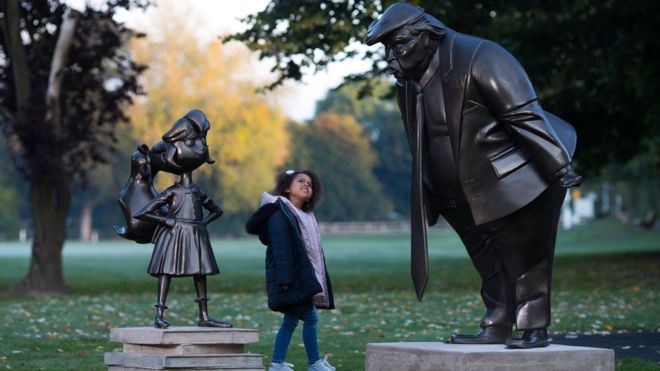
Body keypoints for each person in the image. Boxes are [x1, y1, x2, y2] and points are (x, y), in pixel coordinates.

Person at [366, 3, 582, 348]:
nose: (392, 57)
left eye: (399, 45)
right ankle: (498, 321)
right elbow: (418, 136)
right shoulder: (407, 81)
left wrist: (558, 166)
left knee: (526, 255)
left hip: (514, 179)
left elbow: (524, 115)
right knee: (488, 260)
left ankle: (533, 327)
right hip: (457, 192)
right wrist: (430, 187)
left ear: (426, 36)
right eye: (387, 49)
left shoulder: (482, 56)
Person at [130, 109, 232, 329]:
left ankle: (204, 315)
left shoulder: (197, 192)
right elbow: (143, 212)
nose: (202, 147)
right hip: (174, 234)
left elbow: (217, 210)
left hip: (195, 234)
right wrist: (168, 222)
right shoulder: (172, 192)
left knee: (200, 271)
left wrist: (202, 224)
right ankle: (159, 314)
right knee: (166, 272)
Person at [246, 170, 335, 371]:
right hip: (292, 277)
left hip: (303, 275)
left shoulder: (305, 215)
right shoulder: (280, 213)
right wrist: (285, 279)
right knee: (309, 317)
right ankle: (312, 363)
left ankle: (279, 363)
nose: (306, 185)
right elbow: (281, 247)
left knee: (292, 320)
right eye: (301, 181)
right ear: (287, 187)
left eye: (310, 184)